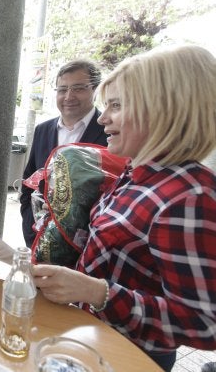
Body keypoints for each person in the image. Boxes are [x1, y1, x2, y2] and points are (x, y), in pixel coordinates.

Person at [31, 45, 216, 371]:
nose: (102, 118)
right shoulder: (138, 172)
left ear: (166, 110)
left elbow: (204, 324)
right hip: (95, 341)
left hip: (131, 358)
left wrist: (96, 291)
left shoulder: (189, 197)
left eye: (116, 106)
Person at [20, 59, 108, 246]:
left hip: (88, 247)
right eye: (62, 89)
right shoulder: (42, 130)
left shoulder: (110, 131)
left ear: (95, 90)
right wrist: (30, 224)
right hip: (39, 238)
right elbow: (29, 181)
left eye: (78, 88)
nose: (68, 96)